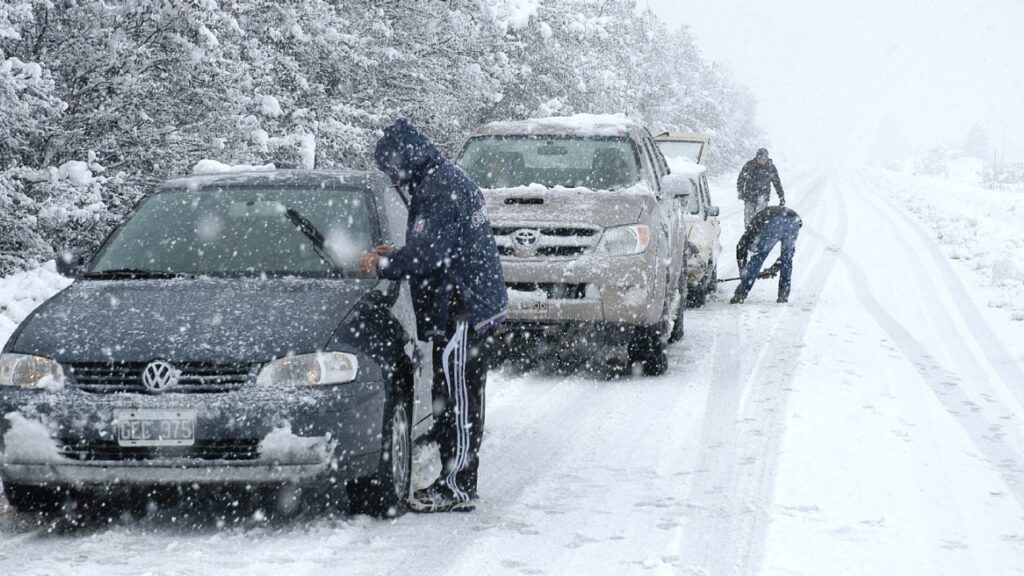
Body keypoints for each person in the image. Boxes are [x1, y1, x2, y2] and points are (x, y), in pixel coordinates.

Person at [359, 119, 507, 513]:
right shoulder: (445, 178)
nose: (391, 179)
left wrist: (382, 265)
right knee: (458, 397)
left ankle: (457, 487)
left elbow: (430, 255)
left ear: (403, 159)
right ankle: (455, 478)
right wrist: (398, 252)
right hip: (470, 303)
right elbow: (437, 243)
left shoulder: (438, 188)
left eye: (391, 169)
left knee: (458, 401)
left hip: (463, 309)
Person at [730, 205, 802, 304]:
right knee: (787, 259)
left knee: (759, 257)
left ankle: (741, 293)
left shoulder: (753, 227)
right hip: (794, 221)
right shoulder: (760, 219)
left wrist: (744, 273)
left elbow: (740, 247)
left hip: (775, 221)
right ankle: (783, 296)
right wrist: (774, 268)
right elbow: (790, 253)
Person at [737, 148, 785, 226]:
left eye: (763, 159)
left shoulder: (771, 168)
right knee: (748, 221)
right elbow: (741, 179)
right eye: (759, 158)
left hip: (763, 198)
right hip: (749, 198)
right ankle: (748, 236)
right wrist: (740, 191)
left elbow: (777, 183)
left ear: (766, 158)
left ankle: (760, 236)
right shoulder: (749, 165)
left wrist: (781, 196)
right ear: (756, 157)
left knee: (761, 220)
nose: (761, 161)